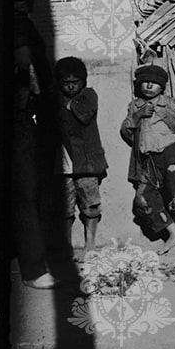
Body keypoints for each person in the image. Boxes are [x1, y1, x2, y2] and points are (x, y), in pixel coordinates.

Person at [11, 0, 59, 289]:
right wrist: (25, 102)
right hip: (18, 119)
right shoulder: (16, 24)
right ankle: (33, 269)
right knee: (25, 191)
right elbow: (24, 66)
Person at [120, 63, 175, 255]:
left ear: (162, 86)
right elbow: (126, 131)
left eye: (154, 83)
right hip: (147, 159)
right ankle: (173, 232)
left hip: (169, 153)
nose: (149, 86)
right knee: (143, 199)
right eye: (145, 82)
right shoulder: (134, 105)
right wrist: (137, 116)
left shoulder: (170, 103)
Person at [52, 57, 108, 254]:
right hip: (62, 164)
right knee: (64, 208)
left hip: (87, 163)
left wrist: (64, 103)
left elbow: (84, 115)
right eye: (65, 83)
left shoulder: (89, 95)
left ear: (83, 81)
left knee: (91, 205)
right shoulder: (53, 99)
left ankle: (90, 244)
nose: (70, 87)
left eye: (74, 82)